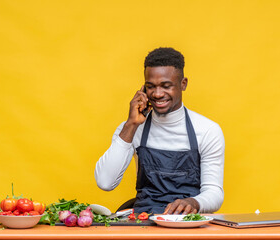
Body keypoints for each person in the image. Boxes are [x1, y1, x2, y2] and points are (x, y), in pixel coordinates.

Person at [94, 47, 225, 214]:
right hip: (144, 223)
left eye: (166, 86)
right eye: (151, 86)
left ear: (183, 84)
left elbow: (214, 192)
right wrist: (131, 125)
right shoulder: (132, 128)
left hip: (189, 225)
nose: (157, 94)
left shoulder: (208, 131)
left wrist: (194, 203)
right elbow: (105, 182)